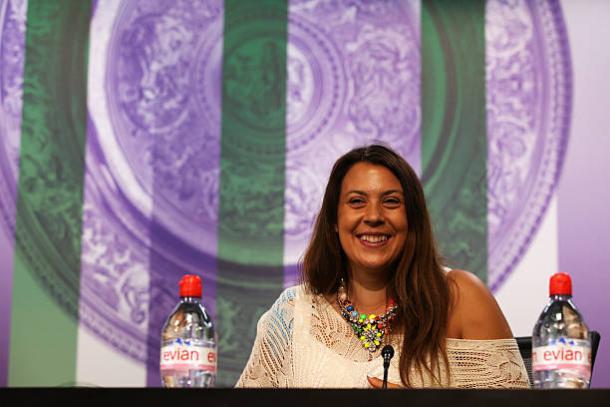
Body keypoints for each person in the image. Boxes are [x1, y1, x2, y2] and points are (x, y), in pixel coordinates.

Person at [236, 144, 530, 388]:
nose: (373, 216)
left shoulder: (460, 298)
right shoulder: (292, 313)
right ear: (335, 222)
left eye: (390, 202)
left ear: (411, 219)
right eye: (356, 201)